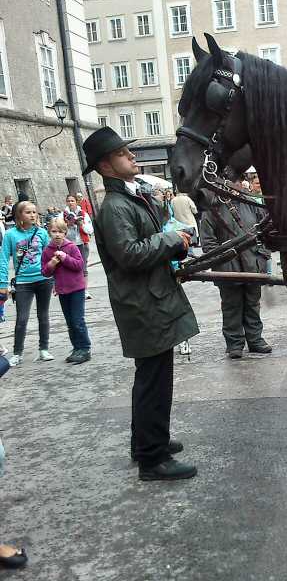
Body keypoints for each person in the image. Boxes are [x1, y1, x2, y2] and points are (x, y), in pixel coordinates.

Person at [83, 126, 199, 481]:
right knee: (154, 381)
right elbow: (131, 255)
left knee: (150, 378)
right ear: (105, 166)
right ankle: (153, 459)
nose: (131, 156)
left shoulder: (127, 198)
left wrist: (169, 240)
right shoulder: (116, 207)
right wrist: (172, 240)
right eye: (122, 153)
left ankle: (146, 441)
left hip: (149, 298)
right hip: (143, 303)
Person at [201, 168, 272, 359]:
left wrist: (262, 254)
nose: (238, 185)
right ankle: (234, 344)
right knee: (232, 306)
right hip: (228, 268)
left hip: (253, 264)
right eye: (233, 181)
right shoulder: (212, 210)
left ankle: (255, 340)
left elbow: (265, 231)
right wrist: (227, 256)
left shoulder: (250, 204)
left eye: (239, 181)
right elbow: (208, 243)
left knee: (252, 304)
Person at [0, 202, 53, 366]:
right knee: (22, 318)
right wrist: (3, 283)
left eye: (34, 212)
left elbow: (50, 256)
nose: (32, 215)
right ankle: (17, 352)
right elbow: (3, 260)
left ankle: (44, 349)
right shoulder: (10, 235)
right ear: (19, 215)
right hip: (23, 282)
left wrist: (56, 278)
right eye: (28, 212)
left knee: (43, 316)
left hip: (44, 280)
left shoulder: (42, 233)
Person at [42, 217, 91, 364]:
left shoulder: (71, 247)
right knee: (70, 322)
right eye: (54, 231)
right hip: (62, 290)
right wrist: (51, 263)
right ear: (49, 232)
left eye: (60, 232)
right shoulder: (47, 251)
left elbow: (79, 265)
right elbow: (45, 272)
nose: (57, 234)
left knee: (78, 320)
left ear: (65, 233)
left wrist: (65, 258)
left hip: (76, 288)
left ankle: (85, 348)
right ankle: (76, 347)